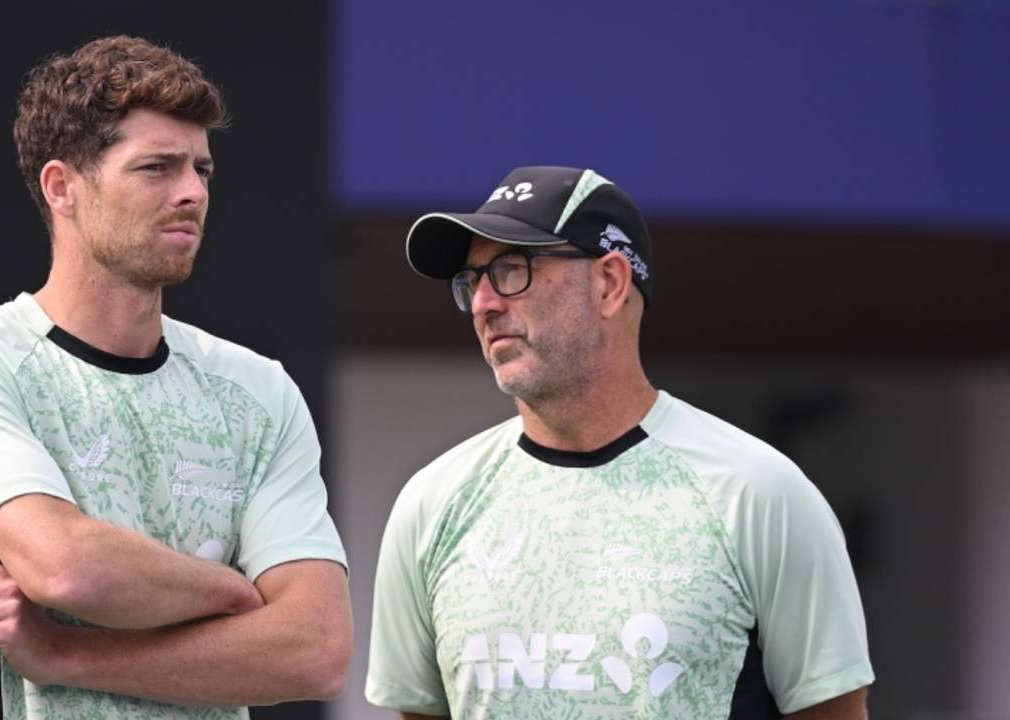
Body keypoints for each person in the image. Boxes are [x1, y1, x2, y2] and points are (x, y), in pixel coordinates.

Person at [0, 35, 350, 720]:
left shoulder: (257, 393)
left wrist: (65, 653)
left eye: (201, 168)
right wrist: (235, 592)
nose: (193, 192)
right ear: (63, 189)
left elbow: (317, 649)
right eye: (157, 169)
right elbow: (67, 566)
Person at [365, 166, 874, 719]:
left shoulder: (760, 494)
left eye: (512, 269)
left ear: (609, 283)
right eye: (471, 280)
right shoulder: (432, 504)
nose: (484, 303)